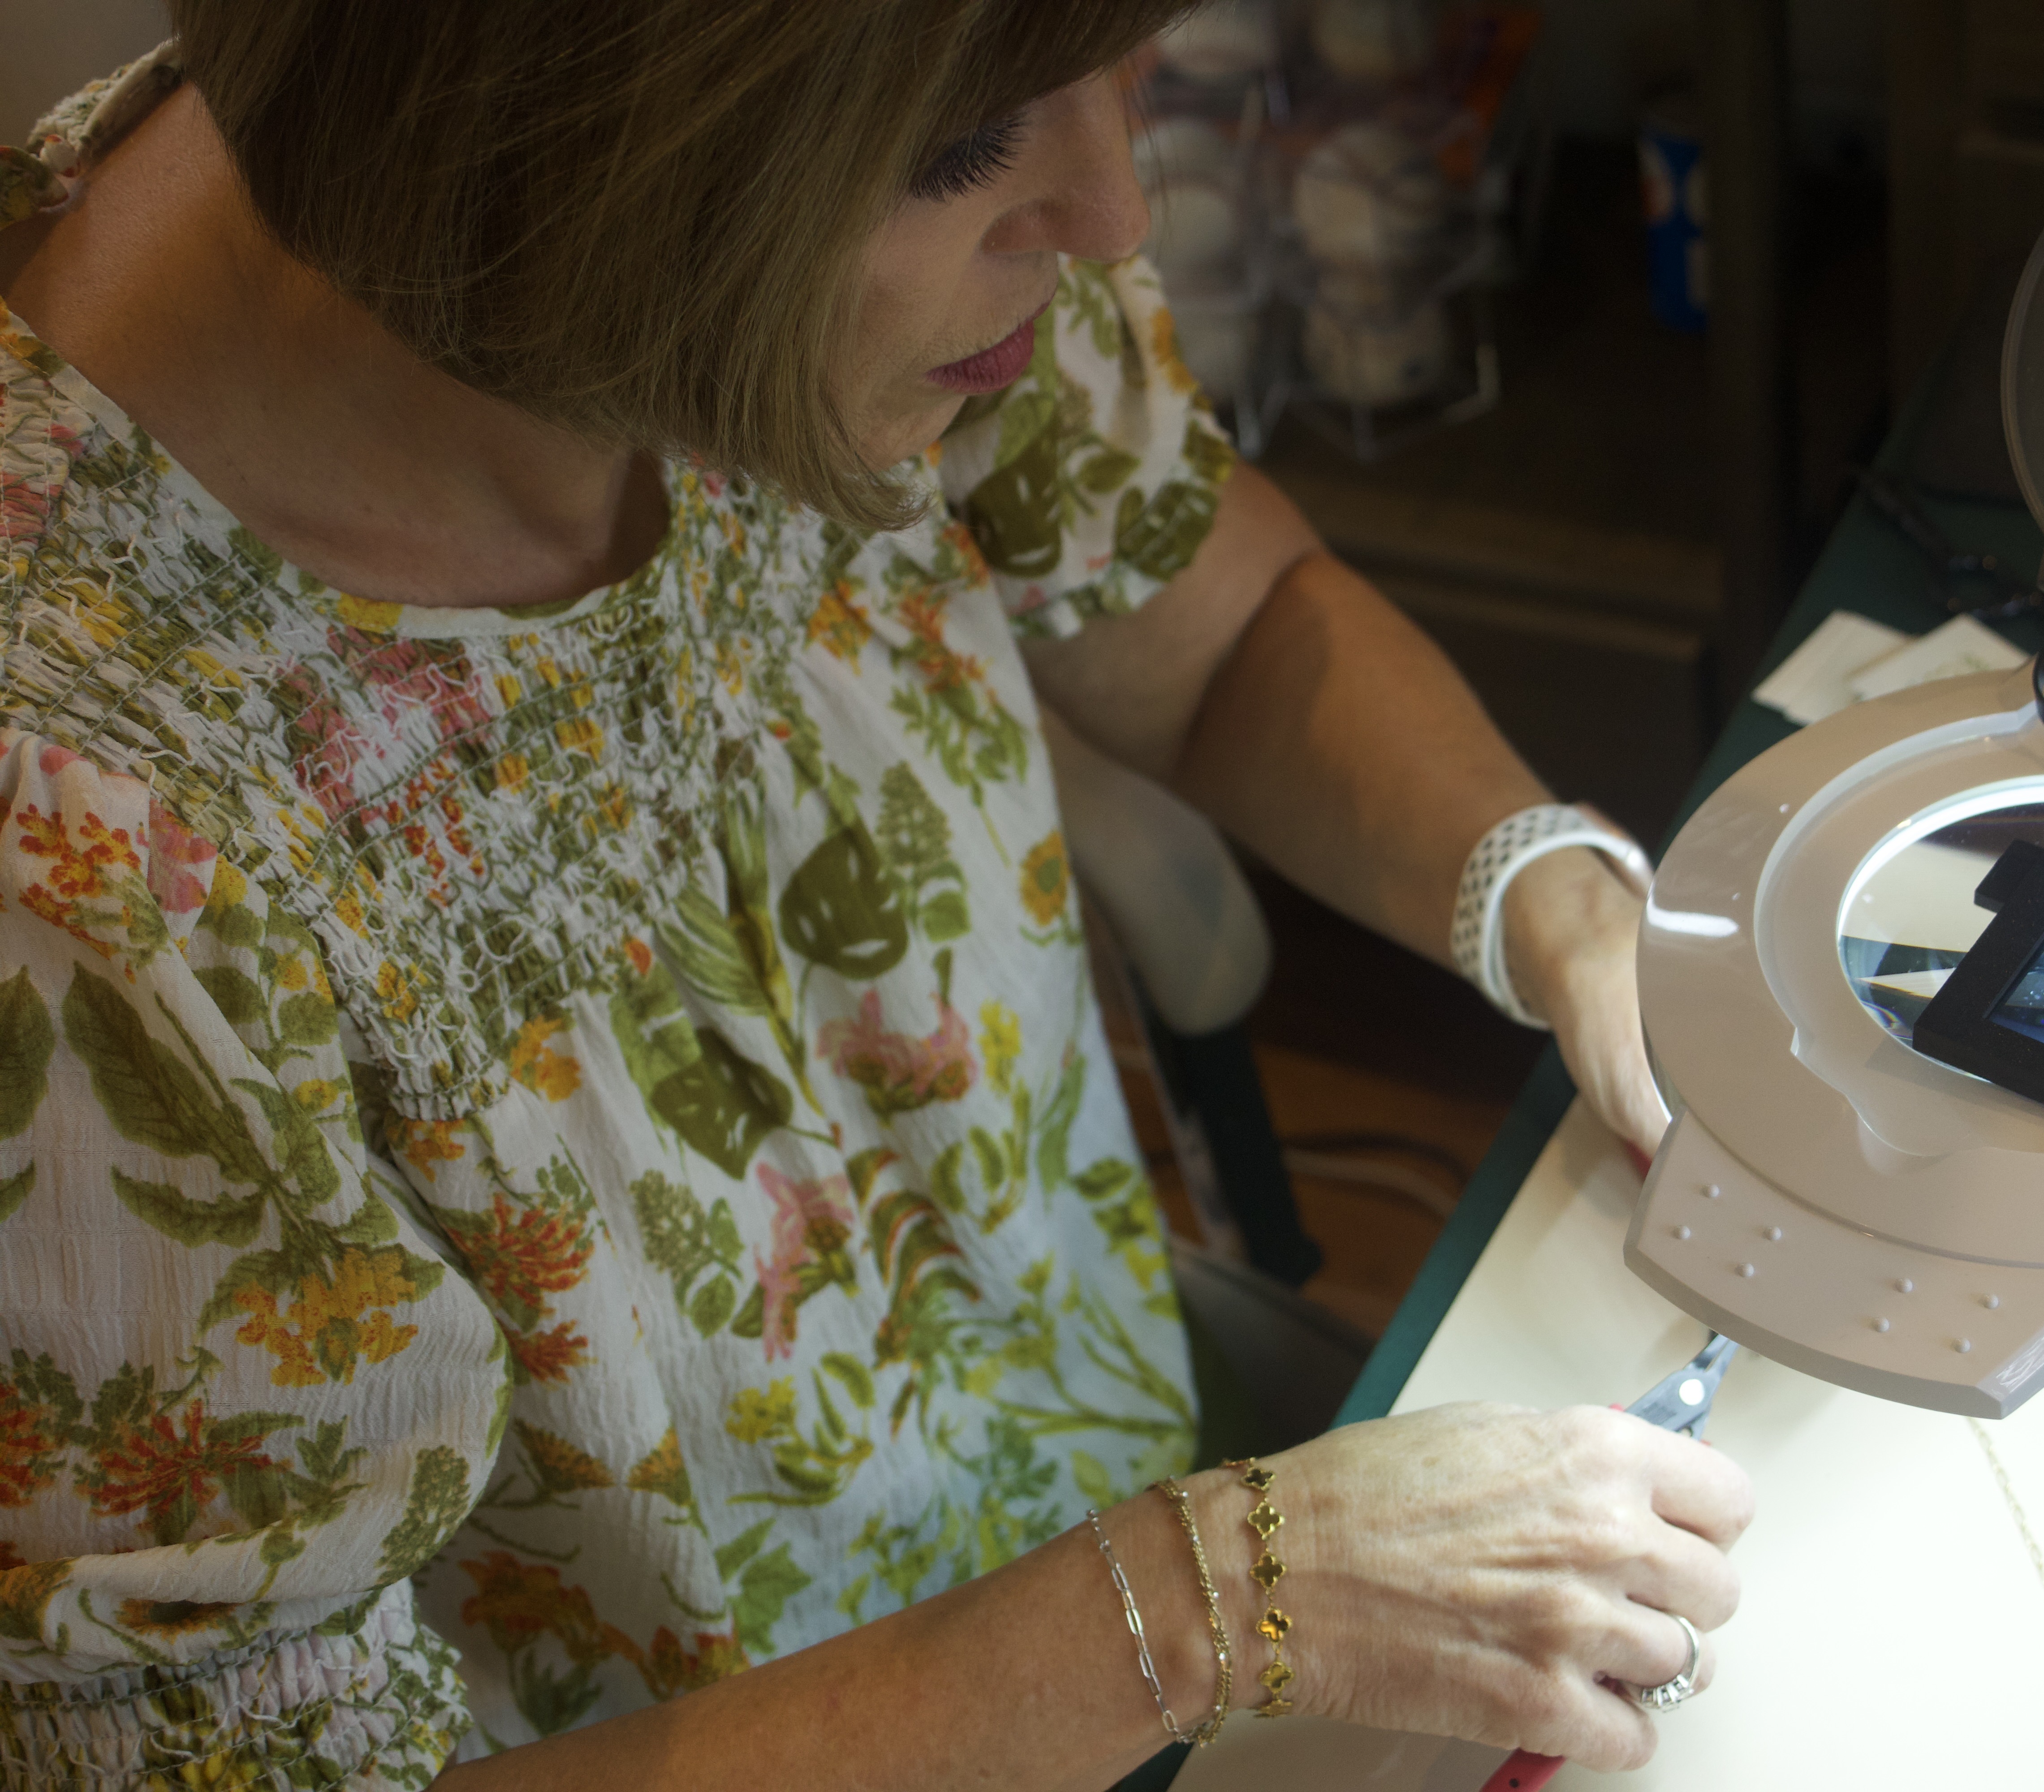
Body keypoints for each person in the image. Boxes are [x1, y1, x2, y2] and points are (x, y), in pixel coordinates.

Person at [0, 7, 1753, 1789]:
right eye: (961, 150)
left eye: (1134, 61)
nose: (1114, 212)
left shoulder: (901, 209)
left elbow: (1209, 623)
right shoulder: (79, 851)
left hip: (1089, 1511)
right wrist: (1201, 1607)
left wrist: (1556, 900)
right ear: (582, 138)